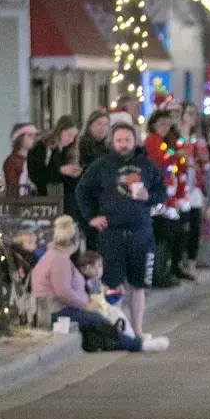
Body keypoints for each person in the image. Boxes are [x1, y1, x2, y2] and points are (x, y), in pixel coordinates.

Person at [75, 122, 167, 341]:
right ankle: (113, 330)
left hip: (141, 233)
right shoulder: (101, 165)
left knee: (138, 286)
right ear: (112, 142)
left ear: (135, 141)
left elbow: (162, 191)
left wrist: (149, 198)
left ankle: (137, 330)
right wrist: (91, 217)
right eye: (119, 140)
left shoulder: (147, 165)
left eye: (127, 140)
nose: (123, 145)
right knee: (111, 285)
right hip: (111, 234)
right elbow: (82, 190)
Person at [30, 215, 167, 352]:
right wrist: (86, 305)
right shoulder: (59, 261)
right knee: (98, 320)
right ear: (76, 242)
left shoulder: (54, 257)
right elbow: (63, 292)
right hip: (56, 311)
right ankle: (136, 345)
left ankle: (131, 339)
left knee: (108, 314)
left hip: (54, 309)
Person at [144, 110, 191, 287]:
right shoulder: (152, 141)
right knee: (166, 233)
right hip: (157, 200)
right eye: (161, 123)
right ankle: (160, 273)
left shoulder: (166, 142)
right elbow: (157, 164)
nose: (165, 127)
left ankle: (169, 268)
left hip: (168, 198)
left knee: (175, 232)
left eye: (167, 124)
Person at [175, 102, 209, 277]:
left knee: (194, 224)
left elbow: (205, 163)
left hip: (194, 185)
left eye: (195, 114)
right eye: (189, 113)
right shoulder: (175, 139)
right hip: (178, 186)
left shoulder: (197, 140)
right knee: (182, 225)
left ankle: (191, 262)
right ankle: (179, 261)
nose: (193, 117)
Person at [27, 115, 81, 199]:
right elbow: (36, 175)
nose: (71, 140)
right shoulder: (42, 147)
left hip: (64, 199)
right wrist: (60, 170)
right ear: (60, 131)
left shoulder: (69, 150)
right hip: (45, 198)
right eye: (69, 134)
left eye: (74, 136)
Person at [3, 123, 38, 197]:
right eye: (30, 135)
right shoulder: (12, 161)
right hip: (19, 203)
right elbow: (13, 188)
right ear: (20, 138)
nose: (34, 138)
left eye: (35, 135)